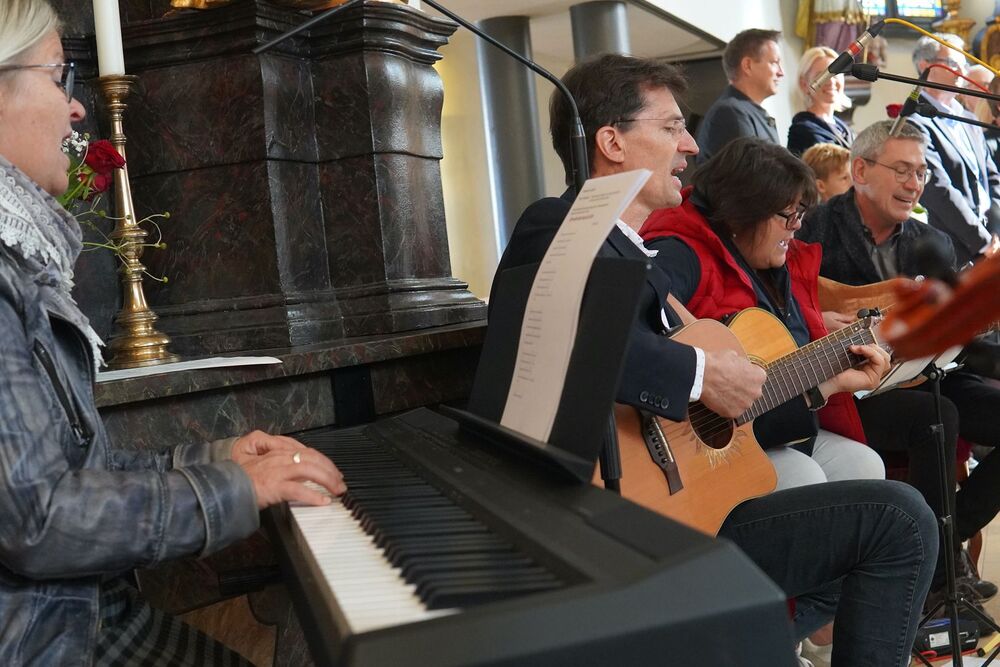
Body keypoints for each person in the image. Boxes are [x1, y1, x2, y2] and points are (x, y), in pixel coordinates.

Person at [493, 52, 937, 667]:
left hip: (679, 501)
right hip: (618, 522)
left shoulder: (638, 258)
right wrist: (702, 375)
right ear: (611, 142)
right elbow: (577, 339)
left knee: (888, 511)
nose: (692, 146)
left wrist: (821, 383)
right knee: (900, 519)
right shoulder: (555, 224)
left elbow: (702, 399)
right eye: (672, 127)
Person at [0, 2, 347, 664]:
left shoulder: (19, 259)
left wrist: (219, 458)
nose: (77, 107)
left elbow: (74, 475)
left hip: (80, 614)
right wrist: (239, 490)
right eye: (58, 75)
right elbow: (37, 519)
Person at [798, 119, 1000, 618]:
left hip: (929, 370)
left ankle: (945, 542)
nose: (914, 184)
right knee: (937, 417)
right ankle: (936, 575)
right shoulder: (813, 228)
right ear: (860, 170)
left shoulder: (934, 242)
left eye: (922, 173)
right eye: (903, 170)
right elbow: (792, 305)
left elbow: (951, 331)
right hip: (848, 386)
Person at [908, 33, 1000, 264]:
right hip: (955, 247)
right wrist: (982, 241)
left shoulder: (969, 119)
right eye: (952, 63)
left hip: (992, 238)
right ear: (925, 66)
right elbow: (938, 189)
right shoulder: (915, 122)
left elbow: (992, 178)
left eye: (964, 63)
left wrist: (996, 230)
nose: (962, 70)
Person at [695, 28, 783, 164]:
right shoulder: (730, 112)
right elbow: (752, 173)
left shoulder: (744, 111)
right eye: (774, 63)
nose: (781, 72)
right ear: (747, 65)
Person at [787, 46, 854, 156]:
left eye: (836, 74)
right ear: (804, 84)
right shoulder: (803, 131)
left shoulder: (843, 129)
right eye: (822, 75)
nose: (831, 81)